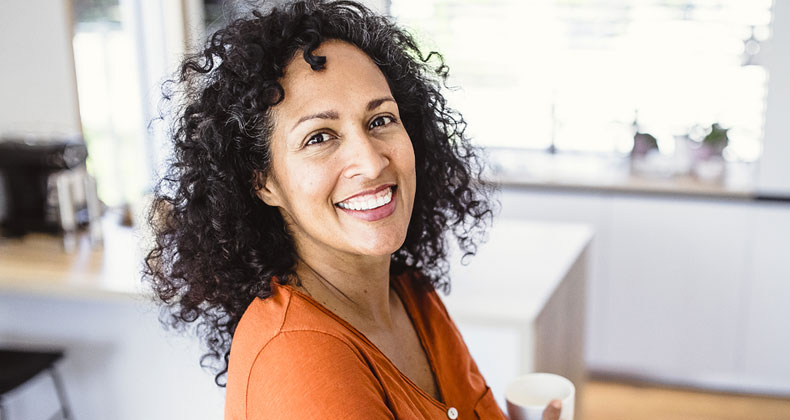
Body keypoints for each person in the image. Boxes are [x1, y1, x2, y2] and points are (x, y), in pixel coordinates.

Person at [144, 1, 562, 419]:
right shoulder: (300, 363)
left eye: (380, 120)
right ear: (263, 181)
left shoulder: (410, 295)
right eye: (319, 137)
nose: (372, 162)